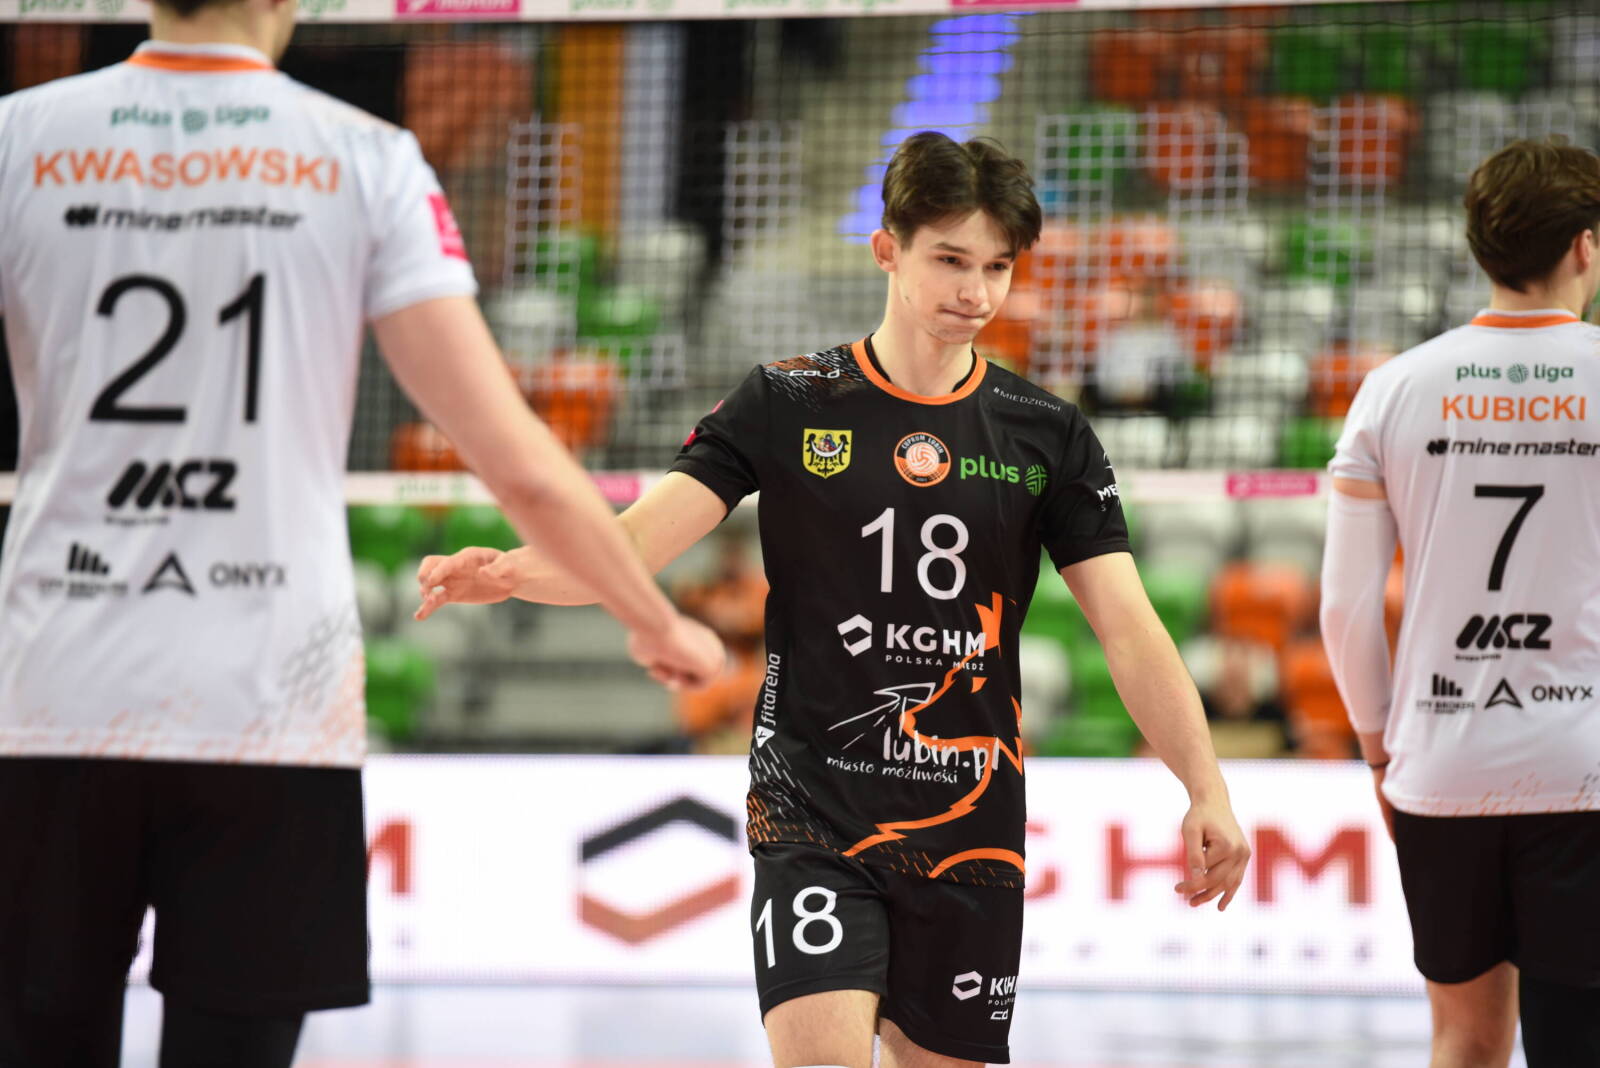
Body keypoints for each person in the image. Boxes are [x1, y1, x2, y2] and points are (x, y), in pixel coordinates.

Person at [417, 131, 1249, 1067]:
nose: (976, 292)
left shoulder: (1047, 434)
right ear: (887, 248)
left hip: (970, 826)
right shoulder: (788, 400)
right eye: (950, 260)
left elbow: (1128, 628)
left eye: (997, 267)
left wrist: (1206, 786)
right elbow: (635, 544)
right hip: (812, 806)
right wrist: (512, 571)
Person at [0, 0, 725, 1063]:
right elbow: (517, 459)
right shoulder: (362, 156)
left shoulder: (20, 136)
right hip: (268, 699)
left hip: (52, 690)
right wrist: (653, 618)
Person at [1320, 137, 1600, 1068]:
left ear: (1482, 247)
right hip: (1585, 763)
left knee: (1466, 1042)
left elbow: (1345, 608)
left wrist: (1378, 748)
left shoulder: (1393, 388)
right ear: (1586, 246)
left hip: (1441, 762)